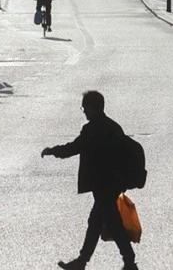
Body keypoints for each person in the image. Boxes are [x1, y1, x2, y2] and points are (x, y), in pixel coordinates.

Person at [41, 91, 139, 270]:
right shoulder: (113, 126)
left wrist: (52, 151)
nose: (84, 112)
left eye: (85, 107)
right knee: (112, 223)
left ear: (93, 108)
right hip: (113, 183)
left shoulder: (92, 129)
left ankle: (83, 261)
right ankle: (128, 261)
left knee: (96, 222)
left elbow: (74, 148)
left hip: (103, 184)